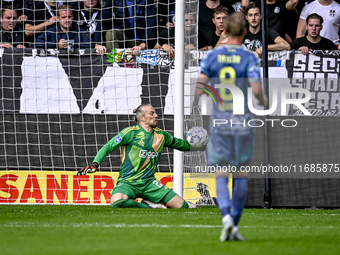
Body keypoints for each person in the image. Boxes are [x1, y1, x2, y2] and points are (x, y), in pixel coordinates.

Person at [196, 12, 267, 241]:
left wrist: (211, 96)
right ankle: (234, 223)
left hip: (220, 123)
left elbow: (199, 88)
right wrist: (264, 103)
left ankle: (226, 218)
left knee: (221, 174)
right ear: (245, 32)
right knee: (241, 175)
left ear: (224, 31)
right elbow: (256, 90)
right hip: (242, 123)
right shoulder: (249, 57)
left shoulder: (213, 56)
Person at [77, 104, 197, 209]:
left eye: (155, 113)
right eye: (152, 113)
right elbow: (108, 147)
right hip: (128, 182)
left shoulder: (162, 135)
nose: (156, 115)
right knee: (117, 201)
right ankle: (148, 205)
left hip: (149, 183)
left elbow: (184, 145)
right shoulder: (130, 132)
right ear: (142, 118)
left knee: (182, 206)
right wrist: (95, 163)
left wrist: (202, 144)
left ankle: (154, 199)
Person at [35, 5, 106, 55]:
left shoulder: (81, 31)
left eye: (69, 17)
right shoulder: (51, 31)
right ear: (58, 19)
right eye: (63, 17)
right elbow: (35, 43)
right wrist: (56, 45)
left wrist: (71, 44)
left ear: (72, 17)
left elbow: (90, 44)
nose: (67, 20)